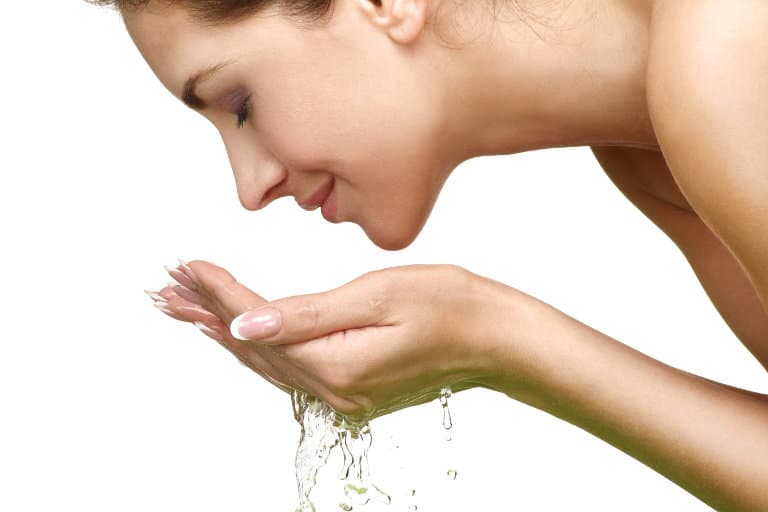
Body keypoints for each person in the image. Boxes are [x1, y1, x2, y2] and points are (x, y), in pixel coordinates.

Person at [105, 0, 768, 509]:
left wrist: (498, 338)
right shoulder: (647, 157)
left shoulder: (722, 65)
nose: (250, 187)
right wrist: (492, 336)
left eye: (241, 105)